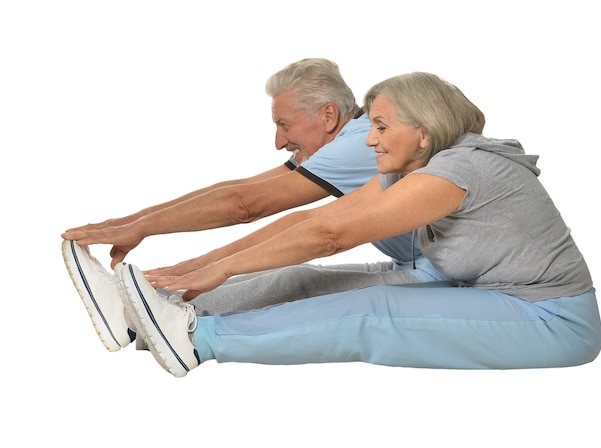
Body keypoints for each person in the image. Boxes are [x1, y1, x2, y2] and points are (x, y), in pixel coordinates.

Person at [105, 71, 601, 377]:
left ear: (424, 132)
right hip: (458, 280)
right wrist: (187, 275)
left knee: (373, 311)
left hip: (549, 316)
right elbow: (321, 218)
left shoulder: (459, 170)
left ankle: (195, 341)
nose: (370, 140)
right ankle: (151, 313)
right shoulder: (411, 170)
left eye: (382, 127)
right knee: (304, 279)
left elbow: (331, 237)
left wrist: (213, 270)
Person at [62, 58, 437, 353]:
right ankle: (142, 304)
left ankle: (135, 317)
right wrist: (133, 222)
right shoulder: (344, 141)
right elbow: (243, 187)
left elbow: (246, 205)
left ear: (327, 116)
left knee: (297, 280)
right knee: (275, 274)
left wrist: (147, 234)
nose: (278, 141)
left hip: (439, 273)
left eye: (285, 125)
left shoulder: (359, 145)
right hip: (416, 262)